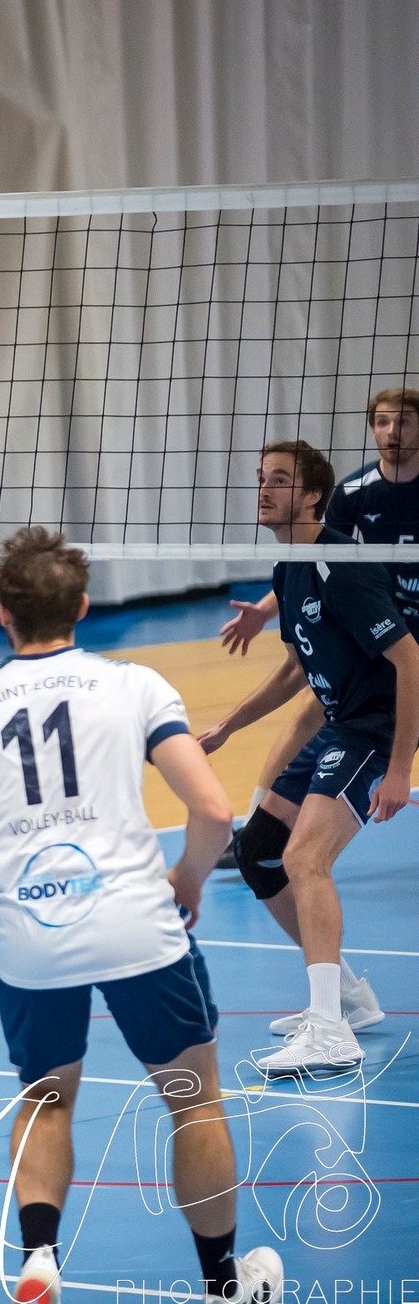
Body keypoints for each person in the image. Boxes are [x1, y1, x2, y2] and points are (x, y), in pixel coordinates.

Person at [0, 526, 284, 1304]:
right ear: (82, 605)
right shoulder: (135, 686)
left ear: (3, 614)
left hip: (30, 935)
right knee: (193, 1097)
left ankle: (40, 1259)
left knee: (45, 1096)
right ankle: (225, 1284)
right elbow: (213, 808)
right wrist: (186, 876)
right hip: (136, 921)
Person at [197, 440, 417, 1075]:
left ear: (315, 495)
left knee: (304, 857)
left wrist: (400, 767)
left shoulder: (340, 565)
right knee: (263, 852)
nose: (264, 489)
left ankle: (328, 1031)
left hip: (371, 729)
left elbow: (410, 660)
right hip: (338, 722)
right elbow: (296, 668)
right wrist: (229, 727)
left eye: (280, 480)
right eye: (260, 478)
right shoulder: (287, 567)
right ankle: (347, 997)